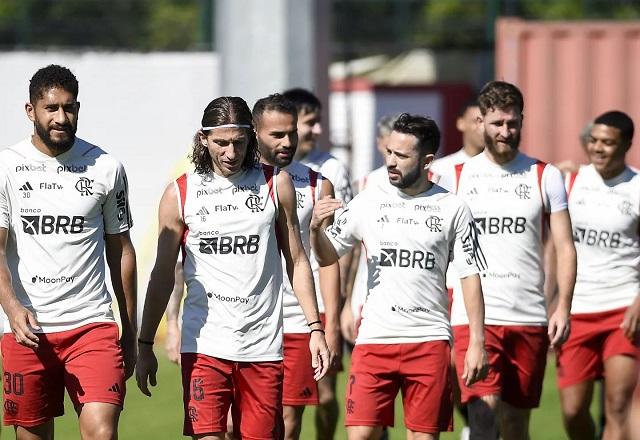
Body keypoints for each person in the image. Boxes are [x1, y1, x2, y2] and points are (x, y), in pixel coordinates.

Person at [135, 96, 330, 440]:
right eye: (221, 143)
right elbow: (163, 274)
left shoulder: (276, 184)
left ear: (251, 138)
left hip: (263, 347)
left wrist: (316, 328)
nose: (230, 152)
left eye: (239, 143)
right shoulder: (180, 193)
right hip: (205, 346)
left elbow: (297, 260)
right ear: (203, 139)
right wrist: (146, 342)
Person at [311, 113, 488, 440]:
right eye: (389, 152)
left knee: (422, 437)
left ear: (427, 161)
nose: (391, 162)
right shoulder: (368, 202)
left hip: (429, 339)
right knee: (361, 435)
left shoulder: (453, 208)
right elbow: (326, 255)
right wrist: (316, 230)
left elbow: (470, 277)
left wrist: (477, 342)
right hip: (374, 340)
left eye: (402, 156)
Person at [0, 64, 137, 440]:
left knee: (101, 433)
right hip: (28, 332)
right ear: (31, 111)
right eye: (52, 108)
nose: (62, 118)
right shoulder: (6, 167)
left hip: (91, 326)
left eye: (70, 108)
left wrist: (131, 329)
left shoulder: (106, 167)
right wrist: (12, 308)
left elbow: (122, 251)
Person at [445, 80, 576, 440]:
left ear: (522, 121)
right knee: (484, 417)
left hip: (529, 317)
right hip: (475, 320)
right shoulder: (455, 176)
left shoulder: (544, 175)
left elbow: (565, 246)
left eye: (512, 123)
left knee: (516, 426)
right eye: (497, 123)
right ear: (480, 123)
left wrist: (562, 306)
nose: (505, 131)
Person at [252, 93, 340, 440]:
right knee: (230, 425)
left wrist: (328, 323)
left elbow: (329, 257)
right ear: (255, 132)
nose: (288, 142)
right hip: (245, 320)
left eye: (291, 133)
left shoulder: (318, 183)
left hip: (296, 318)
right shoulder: (231, 183)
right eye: (277, 135)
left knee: (288, 423)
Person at [556, 110, 640, 440]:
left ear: (627, 145)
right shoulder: (569, 181)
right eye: (594, 141)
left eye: (608, 143)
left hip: (622, 311)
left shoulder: (637, 187)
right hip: (577, 311)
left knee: (617, 406)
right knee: (573, 412)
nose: (599, 149)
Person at [282, 88, 353, 439]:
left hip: (318, 304)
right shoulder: (254, 173)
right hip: (268, 309)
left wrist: (342, 307)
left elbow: (341, 245)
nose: (316, 130)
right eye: (310, 122)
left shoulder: (331, 173)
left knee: (324, 396)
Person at [342, 113, 401, 343]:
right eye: (390, 145)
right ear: (380, 142)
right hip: (369, 301)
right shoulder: (364, 186)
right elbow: (353, 249)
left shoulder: (436, 181)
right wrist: (346, 305)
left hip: (420, 308)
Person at [430, 99, 484, 186]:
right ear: (461, 123)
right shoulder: (440, 169)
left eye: (486, 122)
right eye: (476, 121)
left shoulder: (504, 167)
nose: (482, 128)